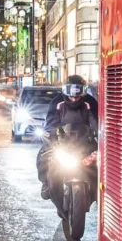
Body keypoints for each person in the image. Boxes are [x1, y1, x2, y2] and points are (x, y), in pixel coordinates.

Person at [37, 75, 100, 207]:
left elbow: (98, 123)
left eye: (77, 93)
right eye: (70, 93)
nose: (73, 97)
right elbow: (50, 124)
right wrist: (50, 138)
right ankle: (45, 184)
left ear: (83, 91)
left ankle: (99, 192)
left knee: (101, 164)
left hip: (85, 144)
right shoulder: (57, 102)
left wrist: (100, 139)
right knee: (43, 155)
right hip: (63, 143)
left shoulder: (91, 102)